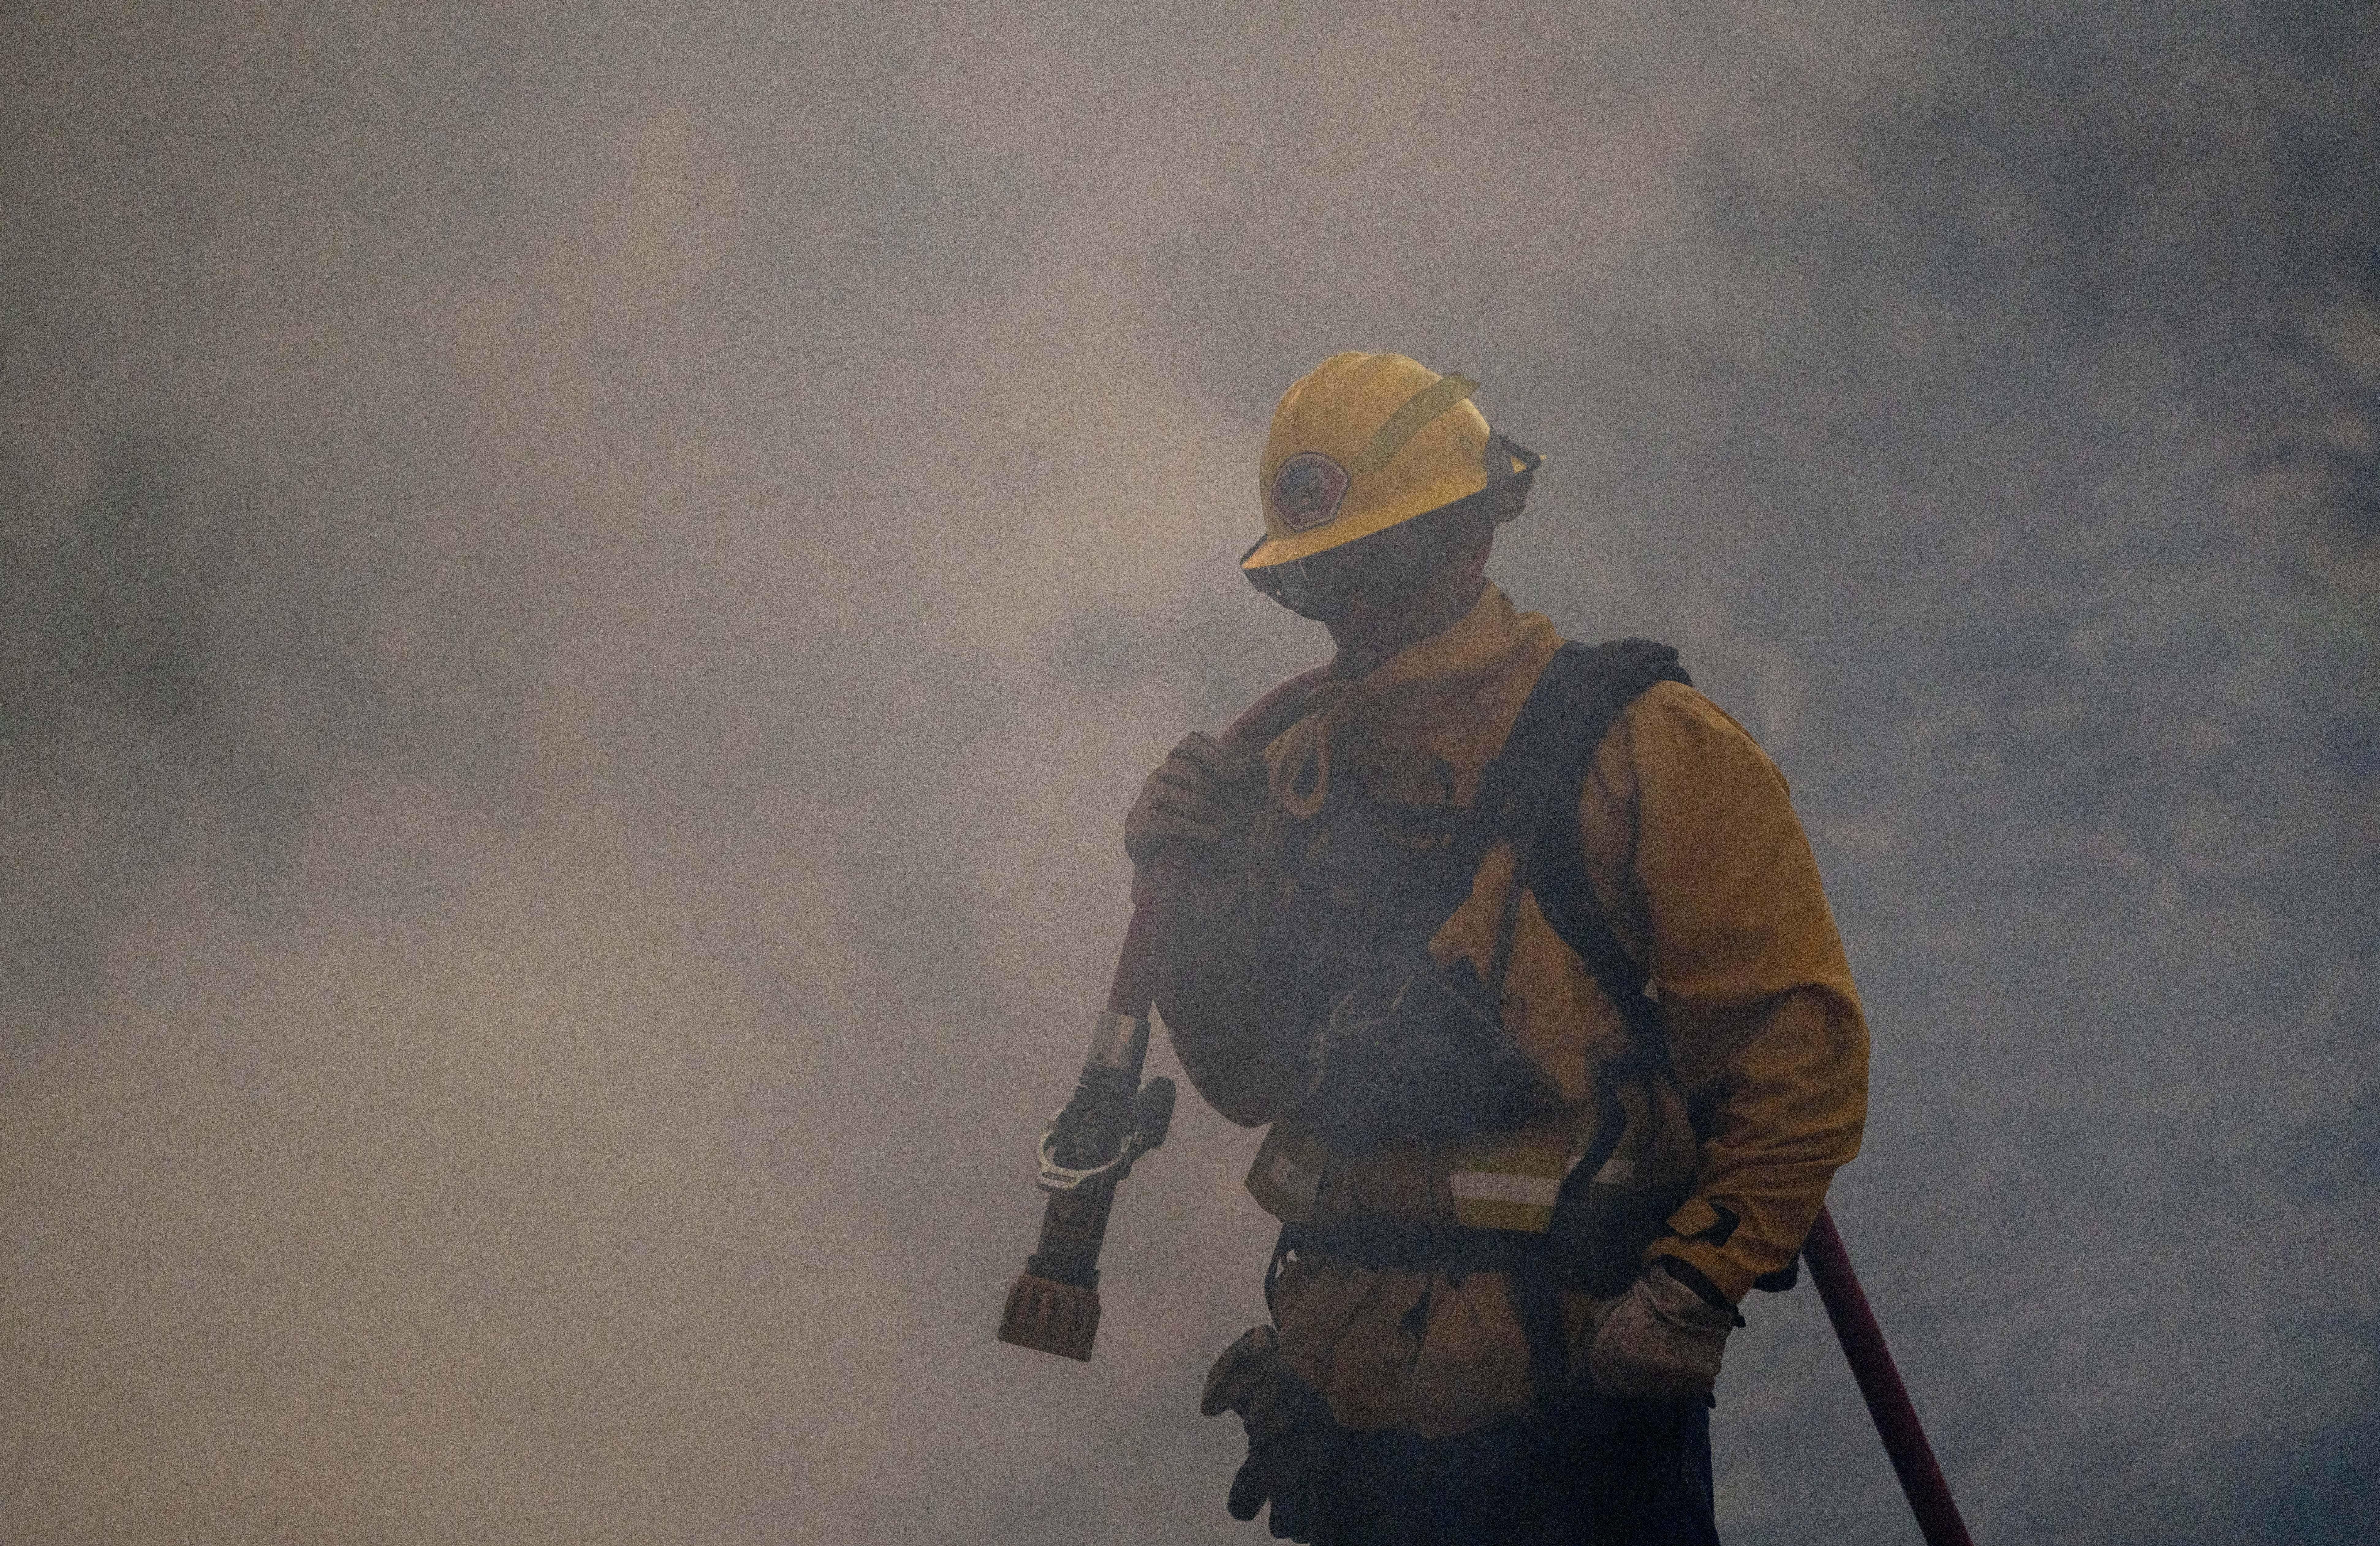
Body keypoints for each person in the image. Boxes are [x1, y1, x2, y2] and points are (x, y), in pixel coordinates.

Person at [1125, 353, 1870, 1545]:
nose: (1353, 612)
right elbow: (1245, 1080)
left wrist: (1686, 1290)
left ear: (1472, 533)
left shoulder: (1643, 754)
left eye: (1380, 563)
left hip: (1573, 1432)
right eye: (1318, 576)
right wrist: (1202, 909)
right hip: (1346, 1424)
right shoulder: (1288, 778)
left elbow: (1796, 1062)